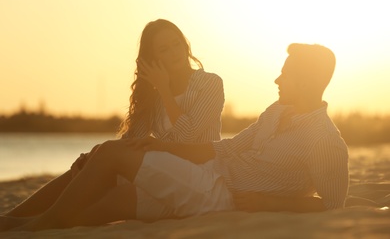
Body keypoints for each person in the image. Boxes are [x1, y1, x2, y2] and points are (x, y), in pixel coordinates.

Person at [4, 43, 349, 231]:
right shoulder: (276, 111)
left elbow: (333, 206)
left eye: (285, 75)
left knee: (111, 153)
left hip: (220, 196)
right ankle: (15, 221)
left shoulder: (325, 140)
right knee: (113, 203)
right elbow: (224, 147)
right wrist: (164, 146)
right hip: (210, 176)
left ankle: (35, 227)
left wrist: (273, 203)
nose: (277, 80)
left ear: (304, 82)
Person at [3, 19, 225, 219]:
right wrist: (94, 157)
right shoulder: (153, 96)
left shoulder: (209, 84)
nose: (174, 52)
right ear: (153, 59)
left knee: (108, 197)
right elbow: (131, 141)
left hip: (196, 175)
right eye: (164, 49)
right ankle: (11, 218)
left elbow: (188, 136)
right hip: (159, 170)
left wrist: (165, 91)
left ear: (185, 45)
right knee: (84, 169)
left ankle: (37, 222)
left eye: (177, 44)